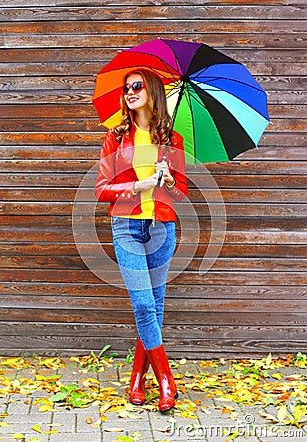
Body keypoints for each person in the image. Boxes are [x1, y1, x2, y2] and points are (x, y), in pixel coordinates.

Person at [95, 69, 188, 412]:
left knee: (155, 306)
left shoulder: (171, 140)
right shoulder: (115, 137)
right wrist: (138, 186)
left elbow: (181, 193)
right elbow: (101, 189)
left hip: (162, 227)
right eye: (126, 88)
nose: (130, 91)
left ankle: (137, 378)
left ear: (152, 91)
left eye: (137, 86)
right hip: (127, 227)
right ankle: (166, 379)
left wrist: (166, 181)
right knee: (144, 305)